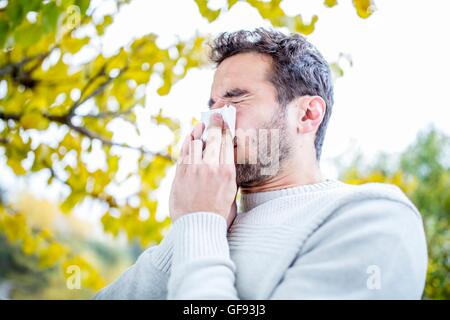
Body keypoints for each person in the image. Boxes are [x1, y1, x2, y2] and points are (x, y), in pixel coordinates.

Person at [94, 28, 427, 300]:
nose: (215, 119)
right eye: (212, 104)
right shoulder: (209, 220)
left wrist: (199, 226)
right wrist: (192, 228)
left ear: (308, 114)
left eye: (236, 98)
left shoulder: (371, 217)